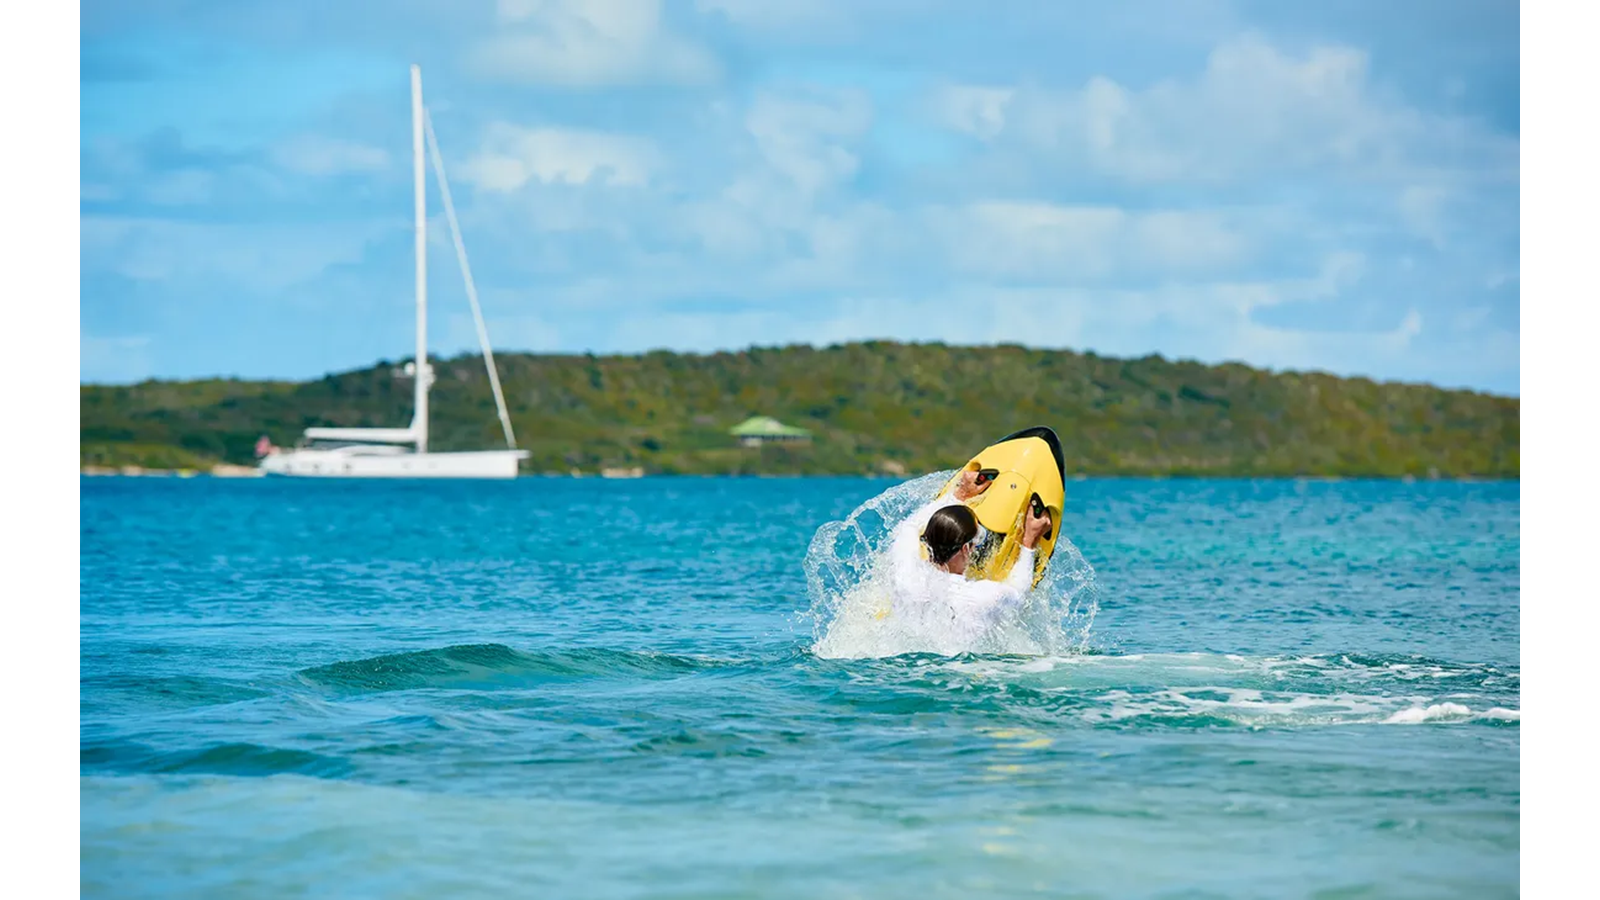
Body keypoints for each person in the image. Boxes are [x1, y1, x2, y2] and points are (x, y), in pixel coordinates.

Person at [882, 468, 1053, 652]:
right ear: (966, 548)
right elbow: (1019, 593)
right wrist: (1029, 541)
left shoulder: (905, 575)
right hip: (961, 670)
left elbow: (908, 527)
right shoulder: (983, 596)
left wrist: (960, 494)